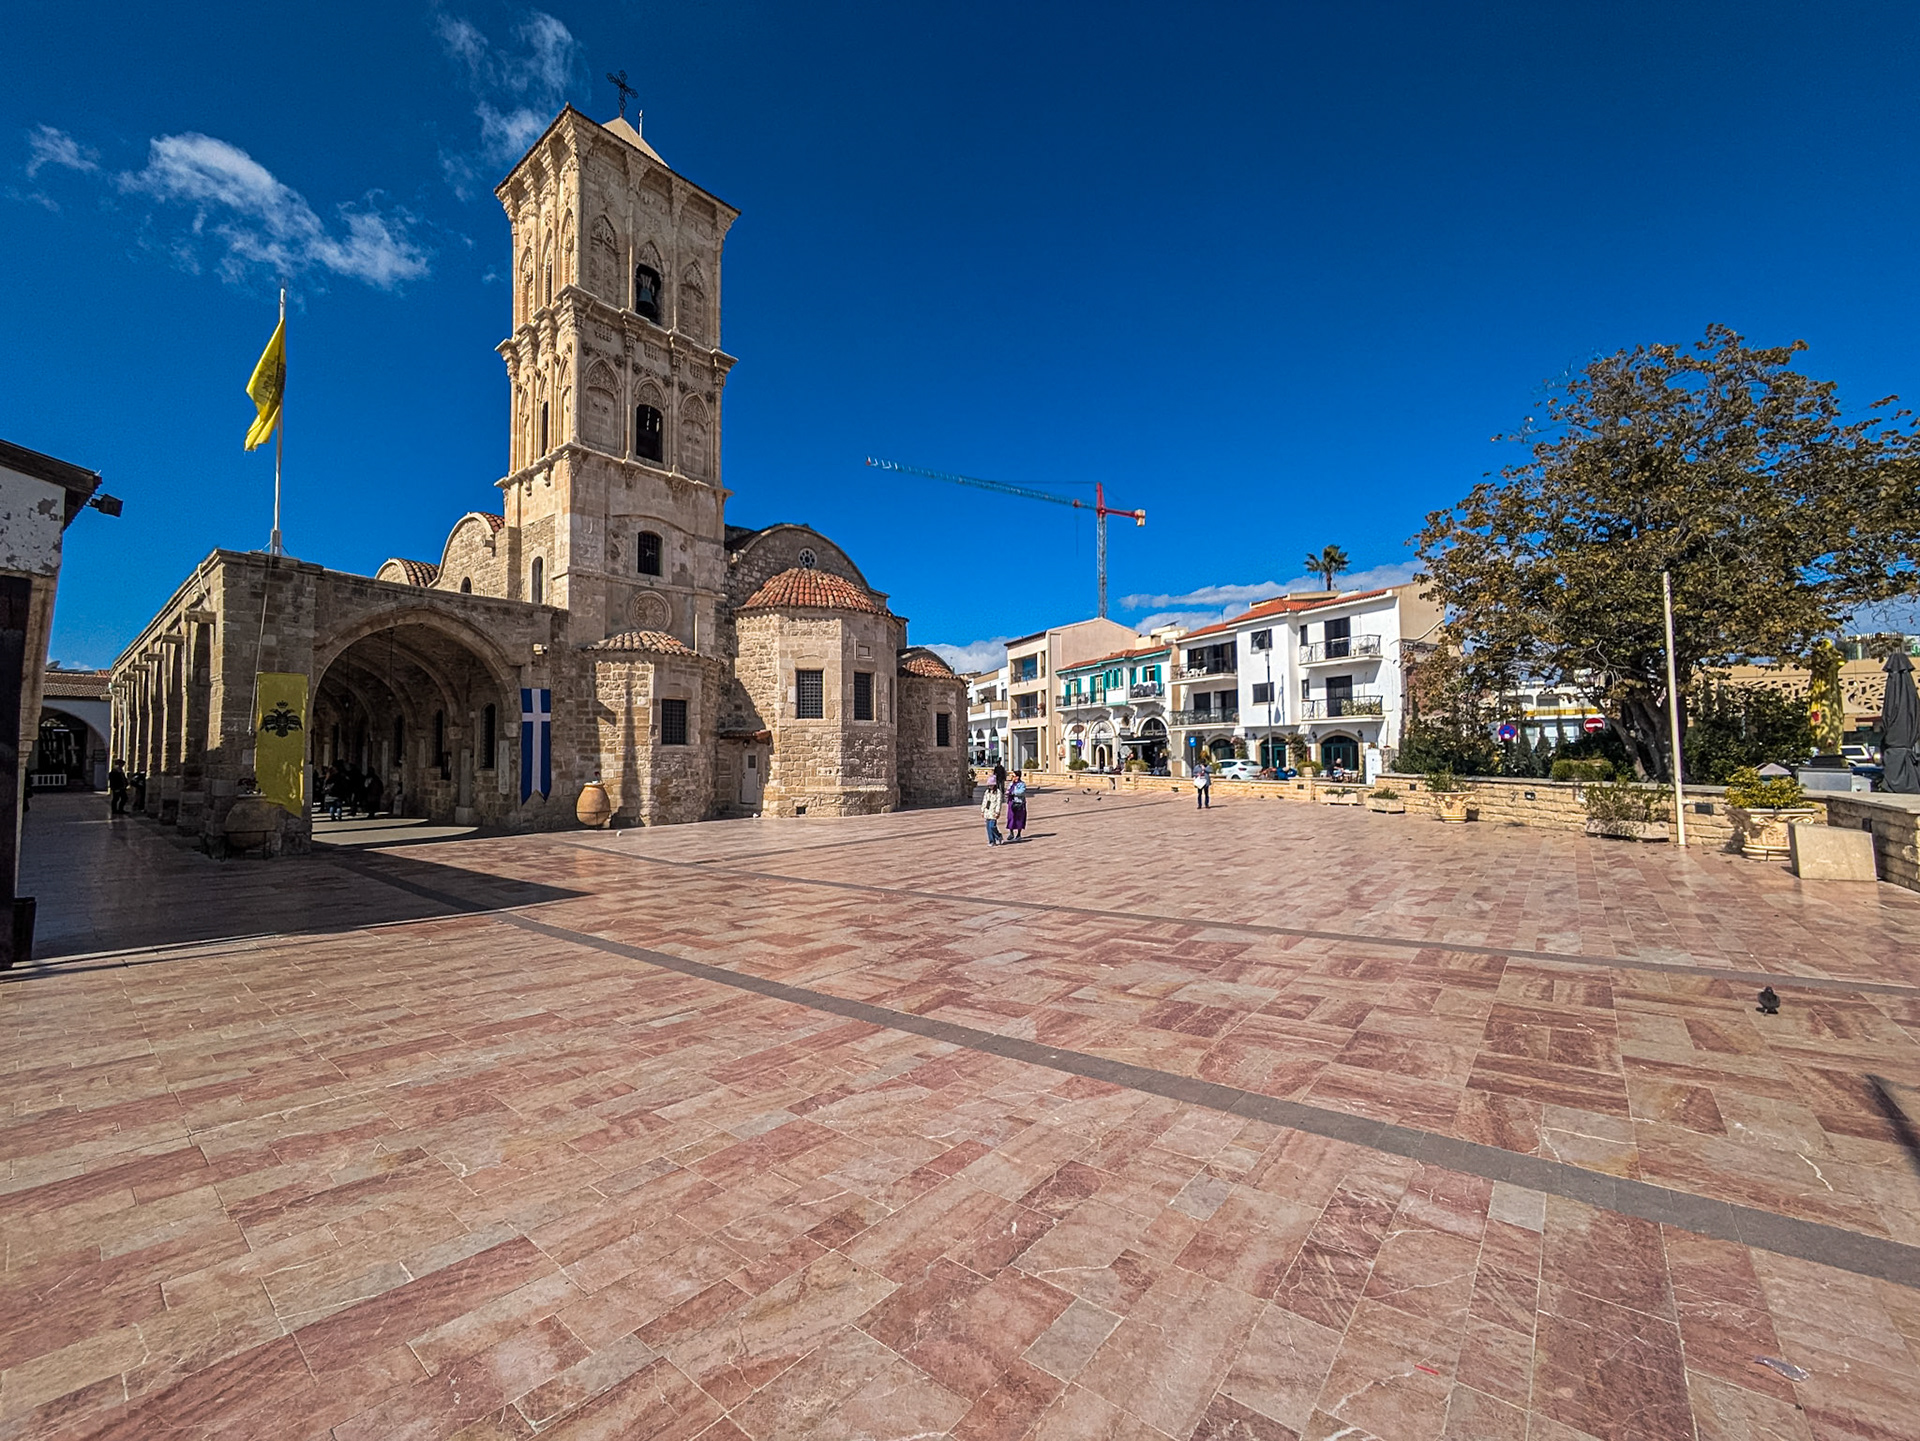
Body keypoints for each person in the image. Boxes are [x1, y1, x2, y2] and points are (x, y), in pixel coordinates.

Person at [982, 774, 1007, 845]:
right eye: (989, 785)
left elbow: (999, 802)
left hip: (993, 811)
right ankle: (991, 841)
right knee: (988, 827)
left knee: (992, 826)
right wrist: (982, 810)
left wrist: (997, 812)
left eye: (991, 785)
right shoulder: (987, 792)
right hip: (987, 811)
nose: (990, 787)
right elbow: (984, 801)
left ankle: (998, 836)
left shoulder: (998, 792)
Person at [1006, 771, 1028, 841]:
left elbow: (1021, 792)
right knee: (1011, 818)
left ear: (1017, 777)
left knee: (1019, 818)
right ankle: (1011, 833)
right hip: (1011, 802)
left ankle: (1018, 834)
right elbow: (1008, 790)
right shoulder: (1011, 784)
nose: (1012, 777)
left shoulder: (1022, 784)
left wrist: (1013, 793)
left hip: (1019, 803)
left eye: (1014, 776)